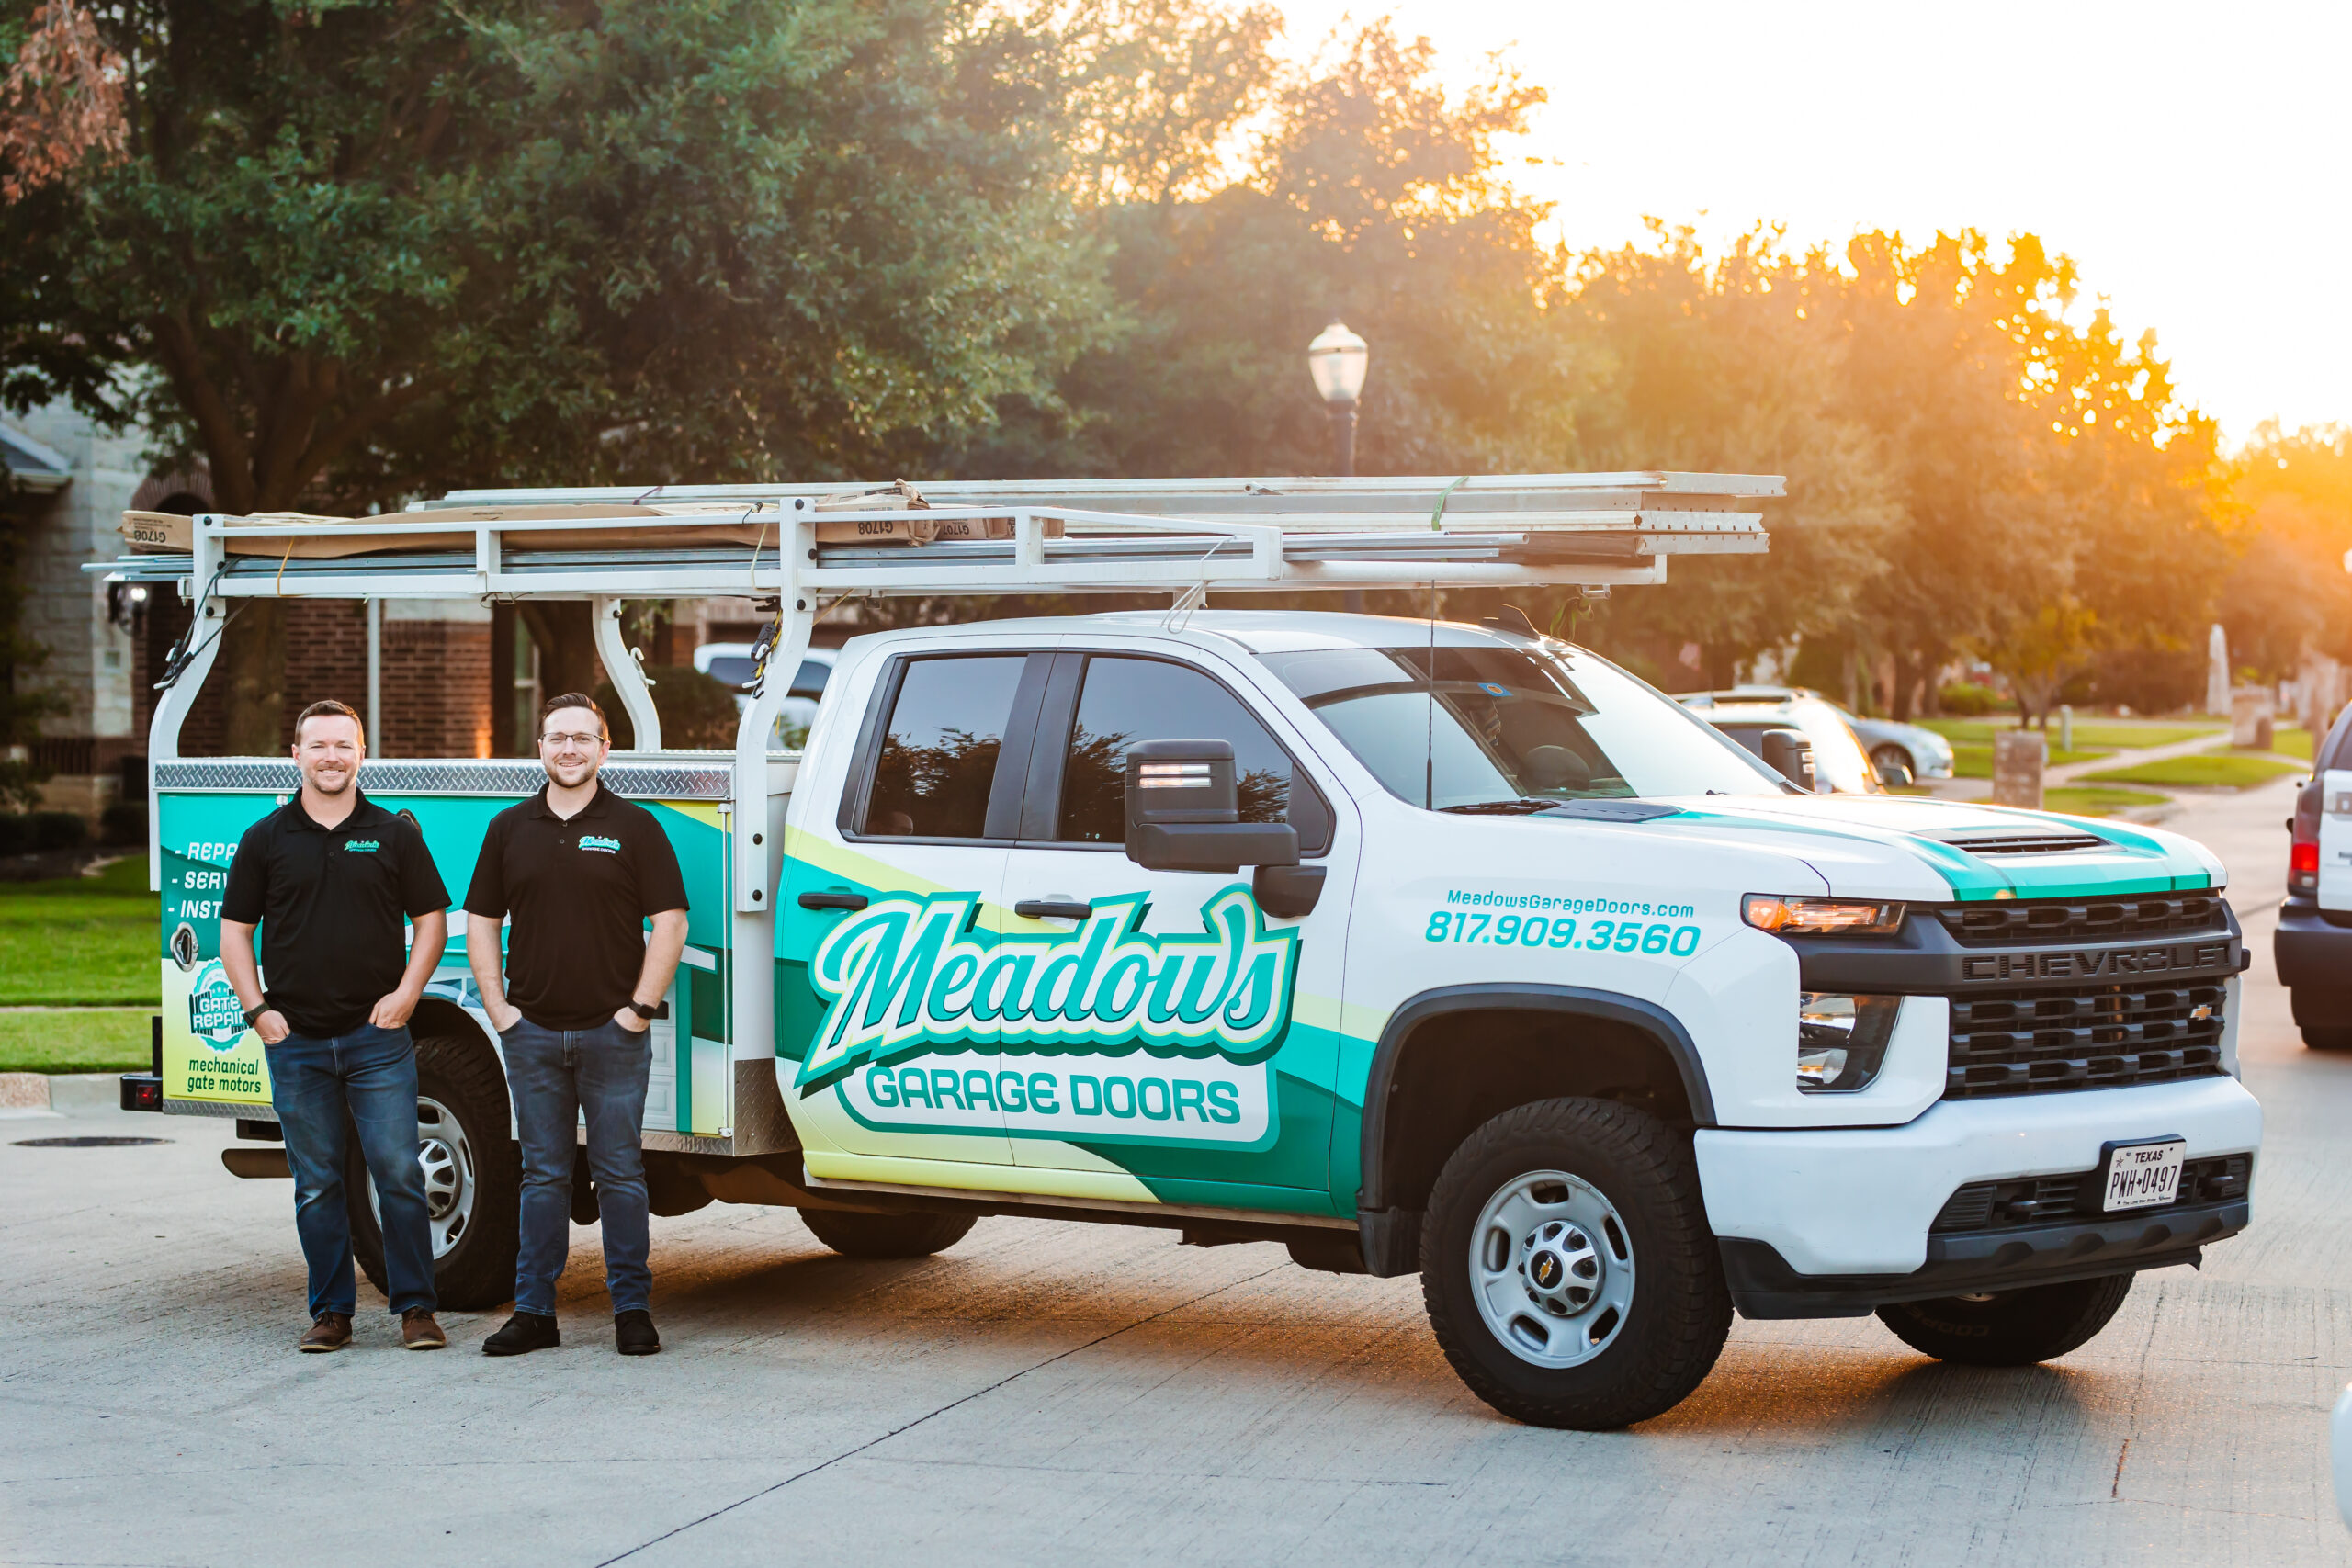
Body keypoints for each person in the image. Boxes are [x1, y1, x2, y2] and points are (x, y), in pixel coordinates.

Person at [220, 699, 450, 1352]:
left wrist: (408, 993)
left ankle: (416, 1309)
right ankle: (331, 1313)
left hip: (376, 1040)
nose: (330, 756)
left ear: (361, 753)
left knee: (399, 1172)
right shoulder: (265, 838)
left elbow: (431, 920)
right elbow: (235, 932)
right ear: (295, 755)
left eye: (342, 745)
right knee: (316, 1181)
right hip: (296, 1043)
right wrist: (258, 1010)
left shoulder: (393, 832)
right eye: (317, 745)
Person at [465, 693, 688, 1357]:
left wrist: (638, 1009)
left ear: (604, 748)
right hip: (531, 1033)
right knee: (541, 1176)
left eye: (582, 738)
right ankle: (535, 1311)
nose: (569, 748)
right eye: (557, 737)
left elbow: (670, 921)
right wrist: (499, 1008)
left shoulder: (634, 826)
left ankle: (631, 1309)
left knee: (620, 1173)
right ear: (540, 747)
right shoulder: (509, 829)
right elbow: (481, 921)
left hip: (612, 1036)